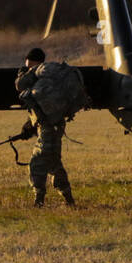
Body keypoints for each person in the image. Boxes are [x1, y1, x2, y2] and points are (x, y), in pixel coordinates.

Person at [15, 46, 87, 207]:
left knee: (37, 163)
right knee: (54, 163)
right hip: (54, 126)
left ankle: (38, 200)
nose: (27, 69)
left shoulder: (37, 75)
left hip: (49, 128)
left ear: (34, 63)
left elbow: (20, 85)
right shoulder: (50, 78)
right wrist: (29, 125)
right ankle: (69, 199)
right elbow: (40, 107)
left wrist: (22, 74)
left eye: (29, 66)